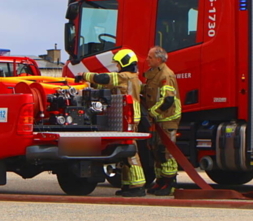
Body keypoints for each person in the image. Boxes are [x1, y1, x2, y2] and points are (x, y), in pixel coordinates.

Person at [78, 49, 147, 197]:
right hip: (127, 117)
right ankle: (128, 184)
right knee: (124, 152)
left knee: (131, 153)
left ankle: (138, 186)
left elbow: (104, 78)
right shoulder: (130, 78)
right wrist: (92, 85)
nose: (117, 66)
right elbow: (106, 86)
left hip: (129, 118)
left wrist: (84, 75)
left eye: (118, 63)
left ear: (125, 62)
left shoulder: (125, 76)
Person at [142, 45, 182, 195]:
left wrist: (153, 112)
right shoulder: (154, 74)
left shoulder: (166, 75)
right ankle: (160, 181)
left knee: (166, 152)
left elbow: (168, 99)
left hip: (167, 119)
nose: (147, 60)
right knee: (156, 151)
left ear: (159, 59)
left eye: (150, 57)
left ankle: (170, 183)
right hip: (158, 120)